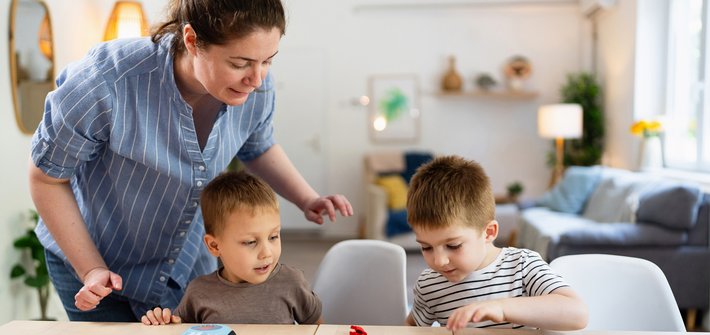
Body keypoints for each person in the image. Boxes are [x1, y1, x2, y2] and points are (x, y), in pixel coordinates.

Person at [27, 0, 352, 322]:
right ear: (192, 40)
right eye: (240, 63)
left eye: (268, 61)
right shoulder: (106, 81)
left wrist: (307, 198)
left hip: (184, 266)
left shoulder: (258, 85)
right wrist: (92, 268)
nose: (256, 79)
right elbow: (47, 178)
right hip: (99, 260)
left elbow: (257, 146)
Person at [404, 156, 588, 331]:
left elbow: (577, 313)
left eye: (453, 246)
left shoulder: (522, 265)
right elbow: (410, 329)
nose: (439, 261)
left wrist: (502, 308)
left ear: (488, 232)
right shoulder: (429, 285)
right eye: (426, 247)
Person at [141, 171, 322, 325]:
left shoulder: (292, 283)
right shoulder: (198, 293)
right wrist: (163, 323)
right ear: (214, 245)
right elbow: (179, 329)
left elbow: (319, 329)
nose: (267, 252)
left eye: (273, 236)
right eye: (251, 242)